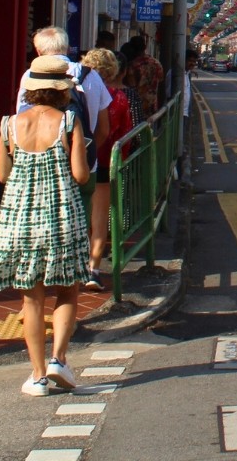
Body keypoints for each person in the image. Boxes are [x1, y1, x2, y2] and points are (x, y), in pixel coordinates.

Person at [0, 55, 91, 396]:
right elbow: (80, 175)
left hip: (19, 216)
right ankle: (59, 359)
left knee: (30, 300)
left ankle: (36, 376)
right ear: (62, 90)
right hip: (62, 214)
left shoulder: (8, 124)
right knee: (67, 289)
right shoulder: (68, 121)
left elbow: (3, 175)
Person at [80, 49, 134, 291]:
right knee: (100, 221)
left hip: (77, 162)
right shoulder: (119, 98)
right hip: (104, 164)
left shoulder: (76, 91)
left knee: (78, 216)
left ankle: (73, 267)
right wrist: (119, 161)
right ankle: (94, 269)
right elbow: (125, 135)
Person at [119, 34, 164, 120]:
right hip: (152, 105)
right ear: (145, 47)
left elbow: (130, 85)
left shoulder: (132, 65)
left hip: (137, 107)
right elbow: (160, 80)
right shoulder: (156, 63)